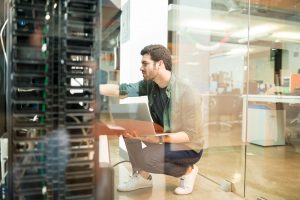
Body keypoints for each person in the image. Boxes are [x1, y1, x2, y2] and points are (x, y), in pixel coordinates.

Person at [99, 44, 203, 195]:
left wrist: (159, 140)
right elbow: (120, 90)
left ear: (159, 64)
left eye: (145, 63)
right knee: (129, 128)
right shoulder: (151, 85)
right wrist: (93, 88)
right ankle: (142, 177)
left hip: (188, 146)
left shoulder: (187, 92)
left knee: (145, 158)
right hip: (164, 136)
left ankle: (188, 170)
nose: (141, 68)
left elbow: (190, 135)